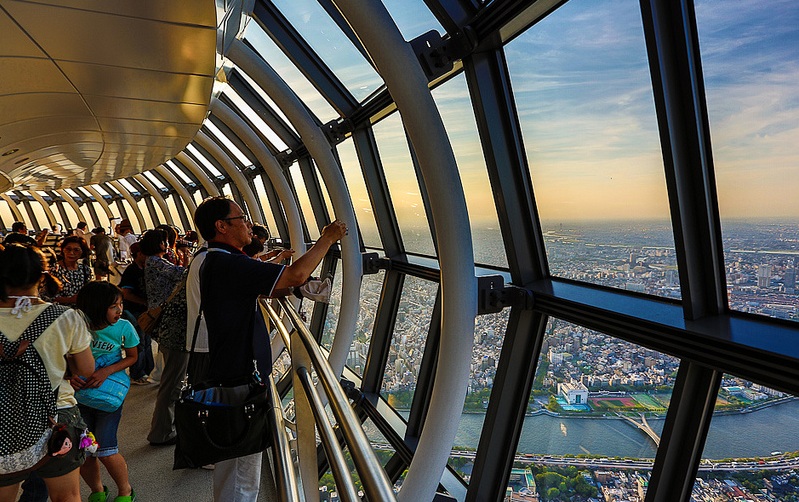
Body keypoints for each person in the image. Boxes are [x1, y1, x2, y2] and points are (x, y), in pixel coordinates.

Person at [186, 196, 346, 501]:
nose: (248, 224)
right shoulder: (227, 263)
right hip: (238, 373)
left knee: (235, 461)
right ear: (221, 226)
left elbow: (270, 285)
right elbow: (295, 275)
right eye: (241, 218)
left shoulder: (217, 260)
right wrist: (327, 239)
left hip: (230, 367)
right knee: (241, 465)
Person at [0, 244, 95, 502]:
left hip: (2, 422)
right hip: (56, 416)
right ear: (42, 277)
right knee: (66, 496)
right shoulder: (66, 317)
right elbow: (86, 369)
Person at [72, 282, 138, 502]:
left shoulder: (124, 327)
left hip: (108, 399)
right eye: (113, 306)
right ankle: (97, 490)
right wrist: (69, 375)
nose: (119, 310)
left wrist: (106, 371)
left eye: (121, 304)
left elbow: (132, 356)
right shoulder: (77, 326)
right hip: (79, 398)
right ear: (96, 307)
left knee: (107, 449)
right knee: (86, 450)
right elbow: (65, 356)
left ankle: (125, 490)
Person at [140, 229, 186, 446]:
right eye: (166, 242)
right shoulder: (155, 262)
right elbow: (183, 275)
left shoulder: (153, 262)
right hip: (171, 325)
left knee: (172, 379)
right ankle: (161, 432)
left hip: (167, 325)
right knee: (172, 382)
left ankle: (166, 428)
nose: (168, 245)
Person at [118, 242, 153, 385]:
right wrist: (144, 302)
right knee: (138, 342)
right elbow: (126, 294)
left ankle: (146, 370)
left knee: (146, 341)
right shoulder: (132, 271)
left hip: (143, 311)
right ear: (139, 254)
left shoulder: (146, 269)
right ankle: (137, 373)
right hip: (133, 311)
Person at [49, 236, 93, 305]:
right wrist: (69, 300)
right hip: (61, 312)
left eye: (76, 250)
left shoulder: (85, 269)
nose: (71, 253)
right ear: (63, 250)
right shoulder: (54, 270)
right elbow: (47, 296)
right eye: (68, 249)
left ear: (82, 252)